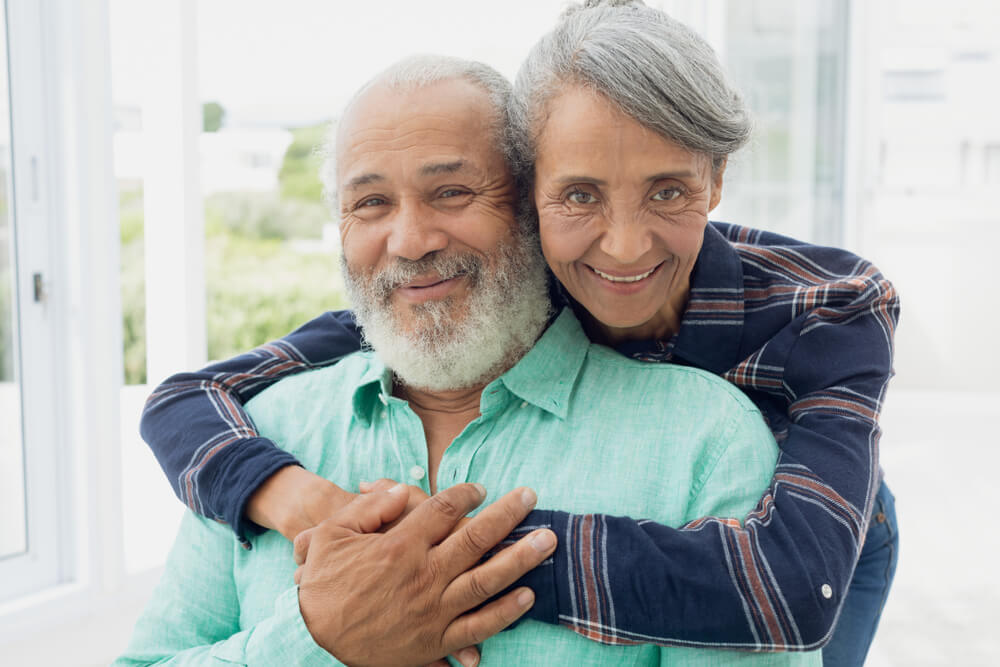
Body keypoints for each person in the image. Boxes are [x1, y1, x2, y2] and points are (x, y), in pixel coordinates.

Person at [138, 1, 899, 665]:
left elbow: (797, 587)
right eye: (370, 203)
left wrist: (427, 570)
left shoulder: (805, 337)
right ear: (541, 201)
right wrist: (313, 622)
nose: (624, 245)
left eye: (453, 191)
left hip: (831, 545)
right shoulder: (289, 412)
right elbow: (188, 396)